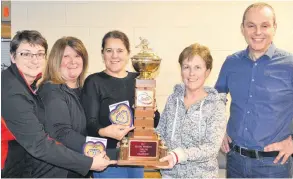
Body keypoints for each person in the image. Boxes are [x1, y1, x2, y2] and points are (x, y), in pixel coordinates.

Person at [1, 30, 116, 178]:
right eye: (26, 54)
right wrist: (92, 161)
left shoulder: (24, 85)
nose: (34, 60)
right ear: (12, 56)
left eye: (39, 54)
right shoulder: (14, 92)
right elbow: (44, 142)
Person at [215, 2, 293, 178]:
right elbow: (215, 100)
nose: (258, 32)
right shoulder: (231, 63)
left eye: (264, 26)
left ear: (274, 28)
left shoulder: (289, 65)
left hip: (274, 167)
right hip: (235, 161)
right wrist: (219, 130)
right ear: (243, 28)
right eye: (251, 25)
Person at [81, 30, 160, 178]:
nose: (114, 55)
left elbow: (154, 122)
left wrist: (151, 112)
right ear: (102, 53)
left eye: (120, 50)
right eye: (109, 50)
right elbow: (90, 124)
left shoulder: (139, 79)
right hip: (107, 159)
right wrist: (106, 132)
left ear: (128, 53)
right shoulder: (94, 82)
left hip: (135, 156)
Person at [156, 43, 227, 178]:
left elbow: (211, 148)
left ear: (207, 72)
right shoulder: (173, 99)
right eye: (186, 67)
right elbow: (160, 133)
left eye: (197, 67)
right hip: (169, 175)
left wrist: (178, 155)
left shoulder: (216, 104)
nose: (191, 73)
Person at [38, 36, 93, 177]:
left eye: (77, 56)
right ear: (56, 61)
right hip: (60, 172)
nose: (73, 61)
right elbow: (62, 133)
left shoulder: (84, 91)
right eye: (66, 56)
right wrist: (105, 149)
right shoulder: (51, 91)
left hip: (81, 166)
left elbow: (90, 126)